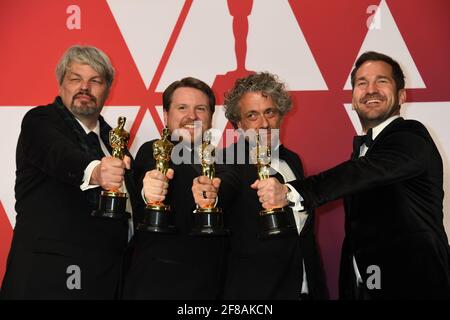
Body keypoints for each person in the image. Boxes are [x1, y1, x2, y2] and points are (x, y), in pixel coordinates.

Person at [289, 51, 450, 299]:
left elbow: (363, 172)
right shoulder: (364, 153)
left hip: (415, 287)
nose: (371, 89)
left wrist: (298, 191)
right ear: (353, 99)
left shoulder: (411, 135)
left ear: (402, 95)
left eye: (382, 81)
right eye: (362, 83)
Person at [0, 45, 139, 299]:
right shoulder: (40, 122)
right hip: (48, 280)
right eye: (76, 79)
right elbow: (61, 156)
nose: (84, 87)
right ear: (61, 84)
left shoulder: (116, 142)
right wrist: (96, 171)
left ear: (108, 89)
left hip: (106, 281)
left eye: (95, 80)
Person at [122, 77, 235, 299]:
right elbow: (149, 179)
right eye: (182, 107)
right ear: (166, 115)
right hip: (160, 284)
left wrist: (214, 194)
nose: (191, 116)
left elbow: (228, 187)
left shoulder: (226, 161)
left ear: (211, 117)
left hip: (213, 286)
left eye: (200, 109)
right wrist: (150, 192)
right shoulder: (154, 149)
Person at [219, 72, 327, 299]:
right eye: (252, 115)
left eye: (269, 112)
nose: (264, 123)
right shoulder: (226, 163)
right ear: (238, 123)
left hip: (307, 288)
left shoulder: (293, 160)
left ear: (280, 114)